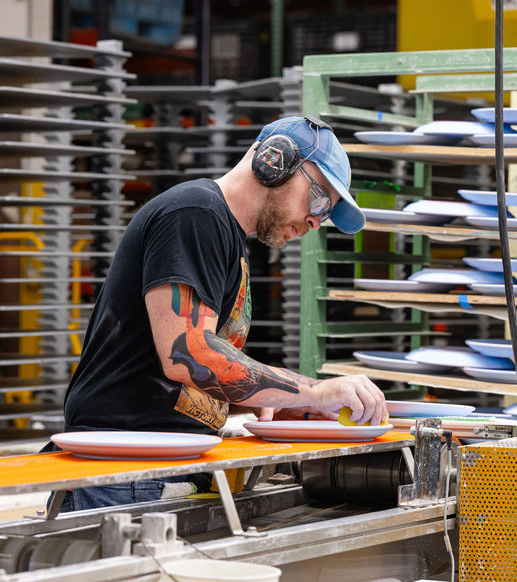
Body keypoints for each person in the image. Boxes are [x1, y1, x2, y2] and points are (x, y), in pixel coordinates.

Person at [44, 115, 387, 511]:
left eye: (325, 212)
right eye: (319, 198)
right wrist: (315, 390)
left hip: (160, 467)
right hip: (125, 472)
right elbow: (187, 355)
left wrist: (278, 399)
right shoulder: (194, 214)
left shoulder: (226, 236)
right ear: (275, 161)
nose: (315, 219)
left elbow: (165, 375)